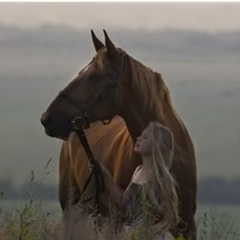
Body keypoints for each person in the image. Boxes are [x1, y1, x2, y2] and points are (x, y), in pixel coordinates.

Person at [89, 121, 179, 239]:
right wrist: (103, 173)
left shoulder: (161, 179)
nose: (138, 138)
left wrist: (145, 233)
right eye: (141, 135)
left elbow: (169, 221)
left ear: (156, 145)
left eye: (145, 137)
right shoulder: (138, 171)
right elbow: (123, 201)